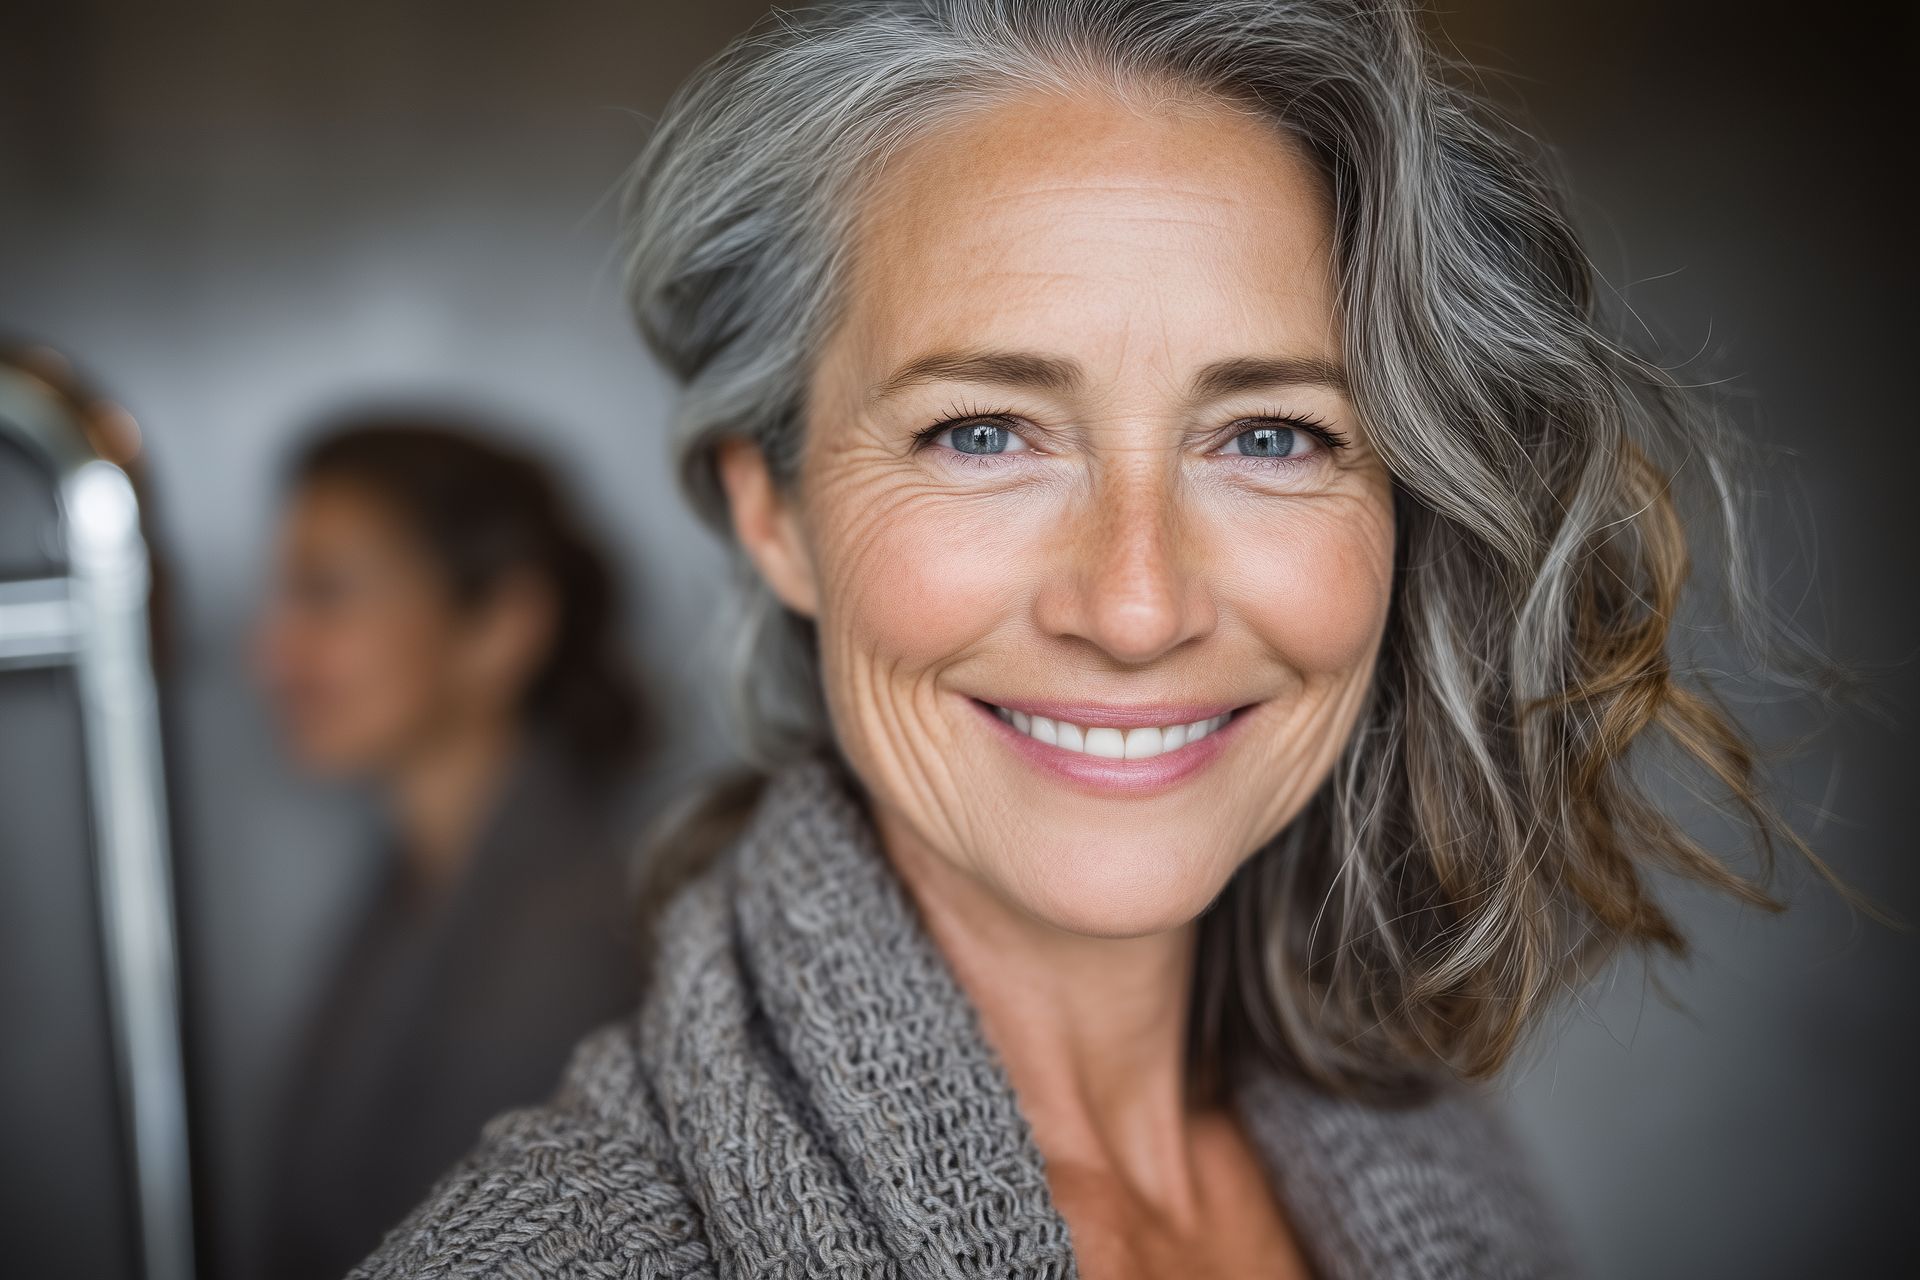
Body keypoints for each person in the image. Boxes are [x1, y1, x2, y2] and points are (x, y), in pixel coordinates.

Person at [351, 2, 1852, 1277]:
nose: (1137, 606)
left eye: (1268, 434)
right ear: (775, 514)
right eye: (985, 431)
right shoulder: (571, 1245)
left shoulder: (1443, 1164)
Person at [254, 416, 652, 1280]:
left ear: (503, 625)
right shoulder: (415, 883)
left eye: (325, 594)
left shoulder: (566, 940)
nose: (271, 654)